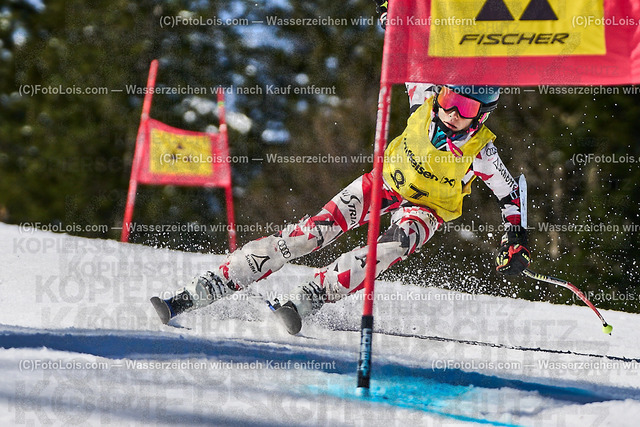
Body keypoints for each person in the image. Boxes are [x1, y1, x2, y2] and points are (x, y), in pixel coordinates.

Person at [150, 83, 531, 329]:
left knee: (388, 249)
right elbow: (408, 47)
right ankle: (209, 284)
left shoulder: (481, 152)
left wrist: (515, 239)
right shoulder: (424, 98)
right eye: (449, 100)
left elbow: (510, 195)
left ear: (482, 114)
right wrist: (392, 13)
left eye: (465, 107)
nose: (451, 112)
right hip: (384, 184)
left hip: (427, 208)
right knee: (309, 236)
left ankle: (312, 295)